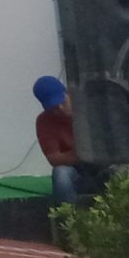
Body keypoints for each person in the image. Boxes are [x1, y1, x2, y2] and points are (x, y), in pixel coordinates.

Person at [35, 74, 92, 204]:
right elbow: (54, 159)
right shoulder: (44, 121)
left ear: (68, 93)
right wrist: (84, 152)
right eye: (53, 107)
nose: (60, 109)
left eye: (62, 102)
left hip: (102, 167)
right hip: (75, 170)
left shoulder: (89, 108)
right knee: (60, 173)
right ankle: (69, 214)